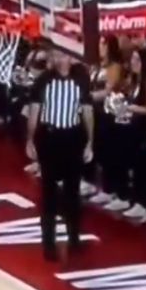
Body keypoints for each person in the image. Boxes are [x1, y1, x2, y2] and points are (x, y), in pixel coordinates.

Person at [28, 49, 93, 262]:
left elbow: (87, 111)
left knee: (72, 192)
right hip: (50, 136)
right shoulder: (44, 80)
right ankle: (49, 244)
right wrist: (30, 139)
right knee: (49, 193)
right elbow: (35, 111)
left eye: (62, 56)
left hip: (72, 137)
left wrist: (90, 142)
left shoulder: (81, 79)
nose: (58, 60)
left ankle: (74, 239)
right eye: (55, 56)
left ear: (70, 58)